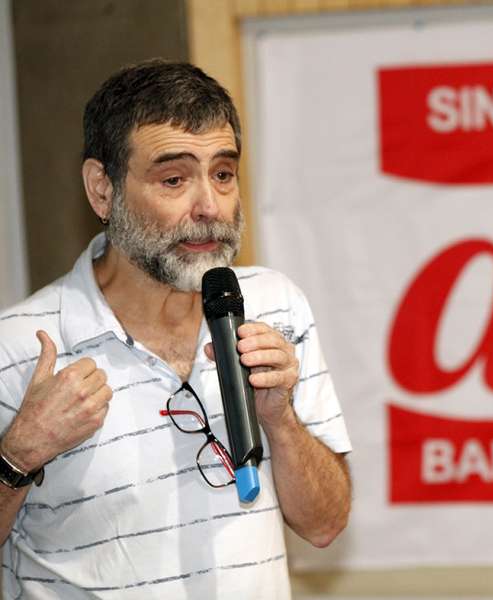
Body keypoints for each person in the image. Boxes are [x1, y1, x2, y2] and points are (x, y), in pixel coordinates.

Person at [0, 59, 352, 599]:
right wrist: (18, 457)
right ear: (102, 190)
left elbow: (325, 524)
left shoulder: (275, 306)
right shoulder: (20, 345)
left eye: (223, 174)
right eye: (173, 179)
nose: (209, 207)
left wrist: (280, 420)